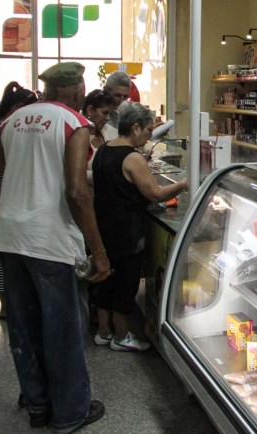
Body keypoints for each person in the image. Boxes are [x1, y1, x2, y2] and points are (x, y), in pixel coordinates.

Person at [0, 62, 110, 433]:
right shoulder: (74, 123)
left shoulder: (12, 121)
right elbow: (78, 192)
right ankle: (70, 413)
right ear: (76, 89)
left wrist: (12, 212)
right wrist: (98, 251)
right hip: (50, 243)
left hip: (11, 239)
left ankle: (37, 405)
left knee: (24, 325)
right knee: (63, 328)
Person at [92, 101, 187, 351]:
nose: (148, 137)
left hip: (104, 227)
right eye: (147, 131)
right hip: (127, 231)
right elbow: (155, 194)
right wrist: (184, 184)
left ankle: (103, 332)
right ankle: (121, 336)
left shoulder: (104, 149)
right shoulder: (132, 158)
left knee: (105, 281)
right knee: (125, 281)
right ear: (135, 128)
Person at [0, 81, 38, 320]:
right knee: (4, 252)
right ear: (20, 106)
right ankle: (7, 305)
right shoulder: (5, 126)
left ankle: (7, 304)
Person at [81, 89, 117, 185]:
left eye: (110, 114)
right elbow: (73, 173)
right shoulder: (76, 134)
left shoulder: (112, 132)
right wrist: (104, 177)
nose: (108, 118)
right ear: (90, 110)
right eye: (104, 113)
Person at [101, 71, 131, 141]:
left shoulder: (122, 113)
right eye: (117, 95)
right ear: (106, 90)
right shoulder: (97, 113)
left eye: (125, 97)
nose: (121, 100)